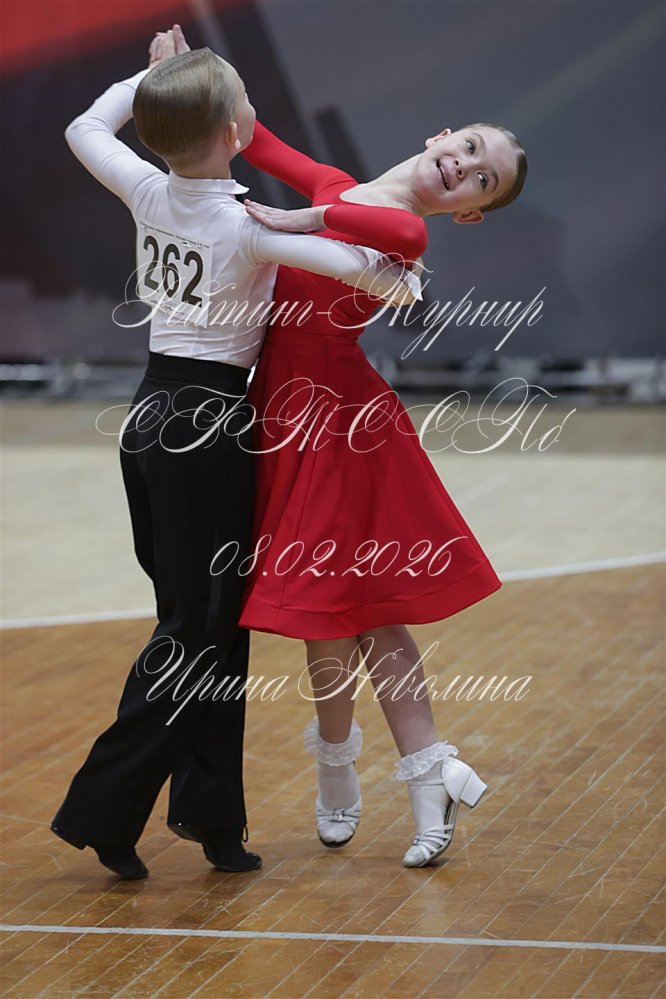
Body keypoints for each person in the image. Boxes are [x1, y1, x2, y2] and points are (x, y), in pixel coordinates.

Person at [51, 35, 420, 881]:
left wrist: (151, 76)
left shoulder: (147, 186)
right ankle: (103, 808)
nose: (255, 112)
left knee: (209, 624)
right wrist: (322, 222)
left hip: (151, 417)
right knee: (197, 630)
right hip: (208, 427)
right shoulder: (245, 223)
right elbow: (390, 277)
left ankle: (212, 816)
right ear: (230, 133)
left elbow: (84, 127)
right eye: (245, 101)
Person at [166, 25, 526, 868]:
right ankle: (373, 765)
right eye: (471, 148)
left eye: (483, 179)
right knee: (328, 607)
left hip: (339, 421)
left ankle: (395, 769)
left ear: (469, 210)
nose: (466, 166)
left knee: (355, 607)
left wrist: (304, 216)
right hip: (286, 411)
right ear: (442, 135)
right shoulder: (339, 185)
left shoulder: (405, 230)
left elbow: (387, 235)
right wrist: (189, 76)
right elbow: (253, 135)